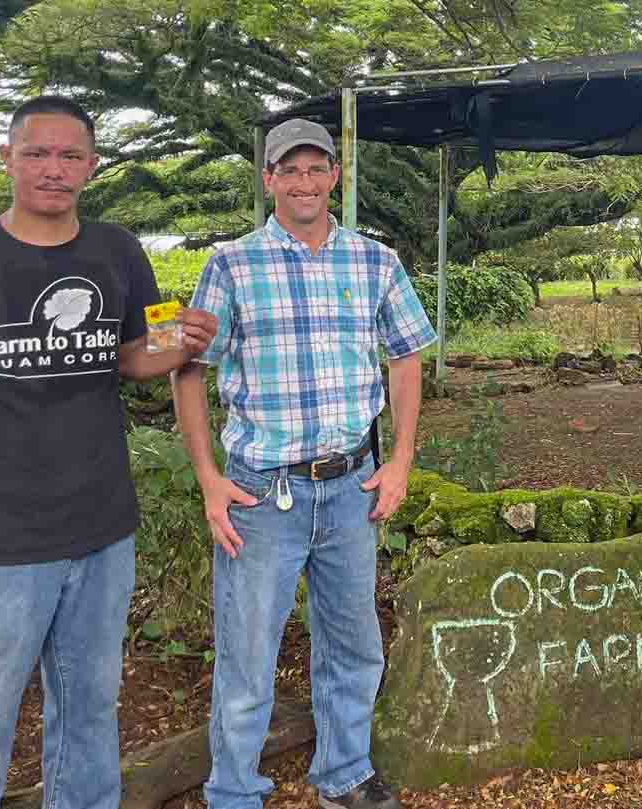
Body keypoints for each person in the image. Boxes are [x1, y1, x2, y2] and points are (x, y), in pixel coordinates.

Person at [0, 95, 218, 809]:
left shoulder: (117, 251)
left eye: (70, 155)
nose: (53, 168)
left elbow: (129, 356)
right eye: (36, 152)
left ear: (91, 166)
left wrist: (182, 341)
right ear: (7, 158)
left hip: (102, 529)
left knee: (90, 716)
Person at [173, 118, 436, 809]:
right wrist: (208, 477)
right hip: (260, 493)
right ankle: (233, 789)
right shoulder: (230, 264)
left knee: (354, 643)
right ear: (267, 180)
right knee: (247, 653)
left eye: (316, 168)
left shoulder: (374, 260)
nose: (303, 182)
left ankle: (344, 771)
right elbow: (188, 369)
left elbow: (405, 355)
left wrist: (401, 457)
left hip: (351, 484)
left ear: (335, 175)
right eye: (288, 170)